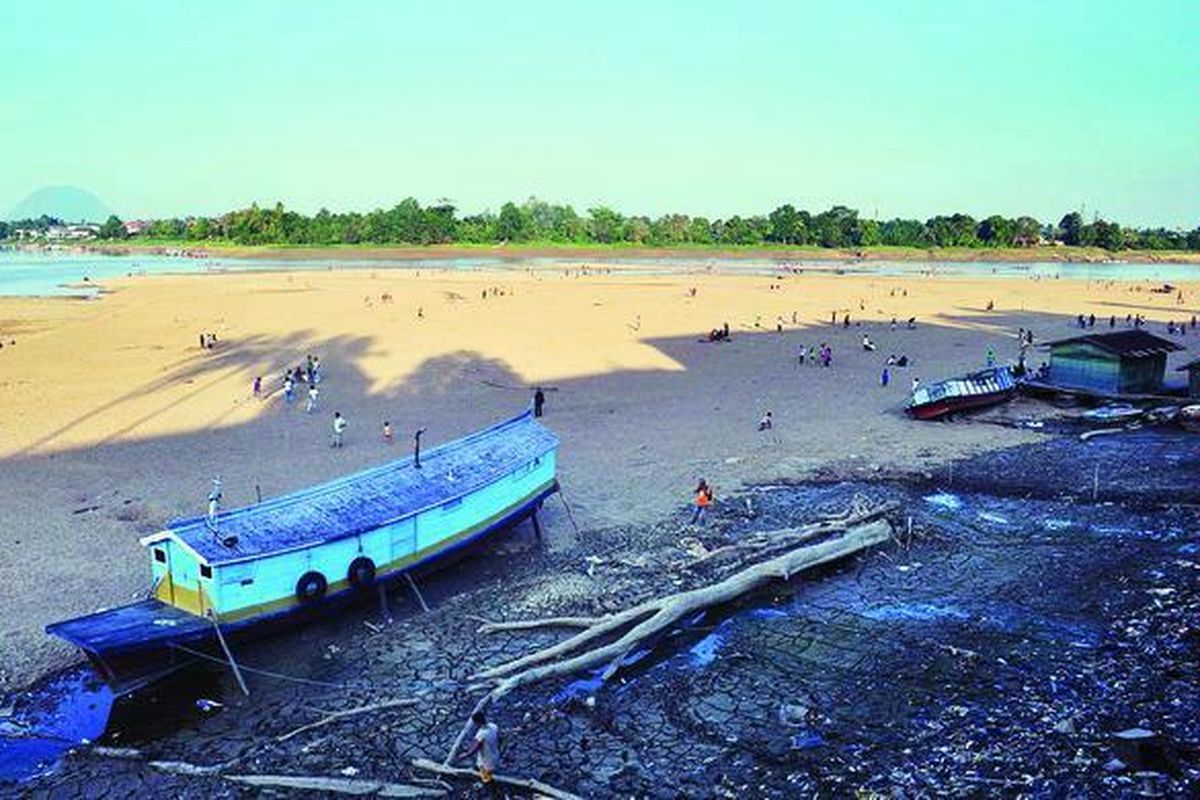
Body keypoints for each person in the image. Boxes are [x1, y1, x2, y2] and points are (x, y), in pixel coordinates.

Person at [455, 711, 501, 793]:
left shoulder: (481, 734)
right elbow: (500, 739)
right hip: (494, 755)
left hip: (486, 761)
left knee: (487, 778)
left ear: (477, 722)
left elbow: (474, 749)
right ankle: (477, 773)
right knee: (479, 766)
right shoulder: (494, 726)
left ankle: (494, 792)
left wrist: (464, 755)